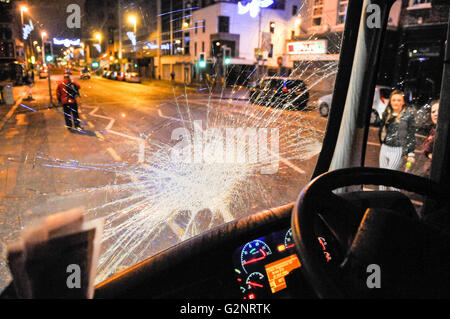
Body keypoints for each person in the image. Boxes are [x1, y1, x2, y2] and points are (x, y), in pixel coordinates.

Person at [379, 90, 416, 189]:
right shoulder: (387, 113)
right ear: (390, 101)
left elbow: (411, 135)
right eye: (394, 100)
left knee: (390, 176)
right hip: (384, 148)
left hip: (397, 150)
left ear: (403, 102)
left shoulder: (408, 116)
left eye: (399, 100)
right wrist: (381, 142)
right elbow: (382, 130)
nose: (396, 102)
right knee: (381, 177)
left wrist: (411, 153)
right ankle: (379, 200)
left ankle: (396, 199)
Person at [421, 100, 440, 176]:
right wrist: (429, 153)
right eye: (433, 112)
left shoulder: (443, 131)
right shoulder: (434, 129)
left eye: (439, 110)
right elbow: (425, 148)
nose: (436, 114)